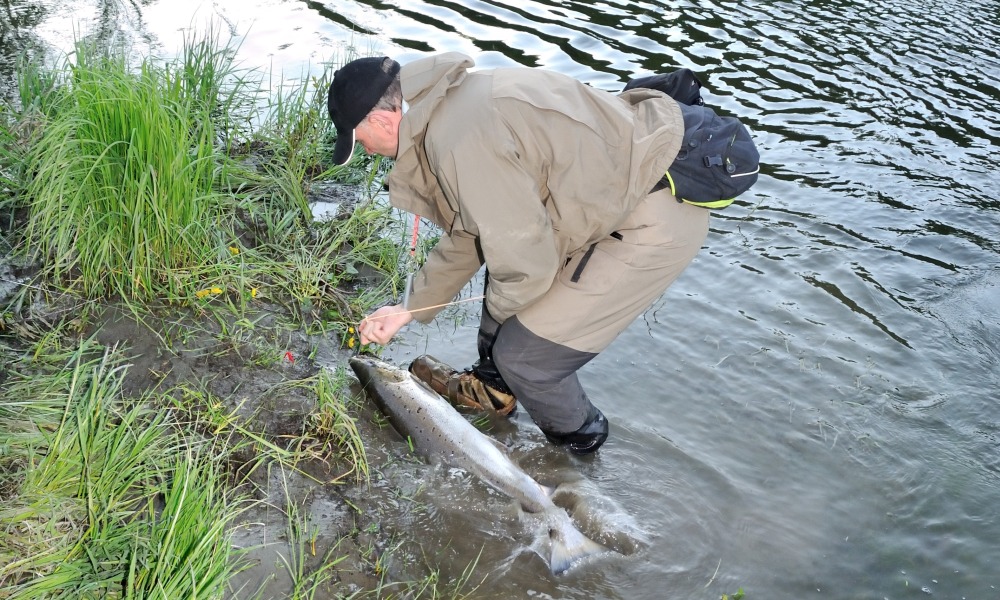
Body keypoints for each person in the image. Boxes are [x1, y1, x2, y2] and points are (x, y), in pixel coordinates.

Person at [328, 53, 709, 455]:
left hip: (653, 216)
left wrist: (511, 336)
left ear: (384, 120)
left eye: (359, 141)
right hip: (605, 196)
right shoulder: (446, 106)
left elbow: (527, 266)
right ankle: (494, 390)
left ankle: (577, 452)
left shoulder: (460, 140)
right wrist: (409, 307)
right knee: (506, 274)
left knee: (525, 357)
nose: (366, 152)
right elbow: (475, 231)